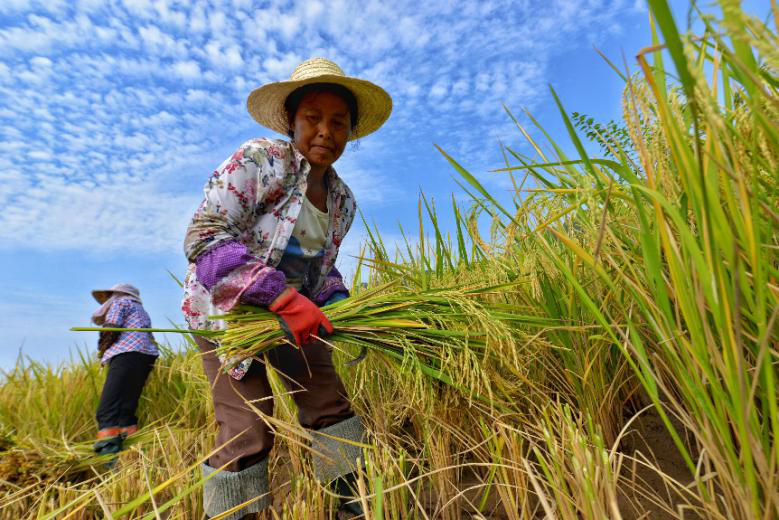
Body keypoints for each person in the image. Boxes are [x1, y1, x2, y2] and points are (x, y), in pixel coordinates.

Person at [181, 57, 391, 519]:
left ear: (350, 132)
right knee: (247, 427)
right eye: (312, 118)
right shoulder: (262, 161)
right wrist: (279, 297)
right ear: (292, 122)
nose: (325, 131)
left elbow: (323, 268)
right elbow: (204, 237)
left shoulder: (342, 199)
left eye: (338, 123)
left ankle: (352, 507)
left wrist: (337, 301)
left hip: (295, 315)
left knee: (329, 407)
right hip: (228, 315)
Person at [90, 283, 158, 460]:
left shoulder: (121, 302)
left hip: (126, 354)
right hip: (145, 357)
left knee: (107, 410)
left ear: (117, 294)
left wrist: (102, 349)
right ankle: (132, 454)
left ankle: (108, 458)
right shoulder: (140, 309)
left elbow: (111, 328)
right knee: (125, 411)